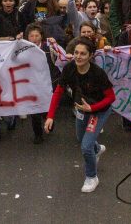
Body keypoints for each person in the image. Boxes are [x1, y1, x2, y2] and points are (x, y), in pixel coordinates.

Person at [44, 37, 115, 193]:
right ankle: (97, 149)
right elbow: (58, 92)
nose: (78, 56)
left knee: (85, 147)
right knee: (81, 138)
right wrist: (50, 116)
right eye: (76, 52)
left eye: (83, 54)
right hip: (81, 110)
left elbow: (111, 98)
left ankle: (91, 177)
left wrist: (93, 108)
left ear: (91, 56)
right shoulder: (69, 69)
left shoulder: (98, 73)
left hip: (98, 111)